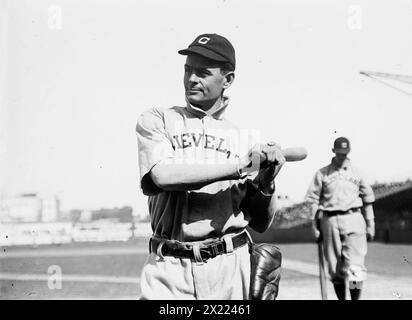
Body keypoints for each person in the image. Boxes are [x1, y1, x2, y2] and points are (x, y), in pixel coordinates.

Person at [135, 33, 285, 299]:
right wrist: (241, 165)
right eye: (188, 70)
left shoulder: (243, 138)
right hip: (169, 265)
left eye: (203, 73)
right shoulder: (159, 119)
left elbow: (260, 222)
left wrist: (266, 181)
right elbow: (162, 175)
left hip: (229, 265)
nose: (192, 79)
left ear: (227, 80)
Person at [305, 137, 375, 300]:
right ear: (333, 151)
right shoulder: (322, 173)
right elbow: (312, 201)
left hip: (354, 218)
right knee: (335, 269)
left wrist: (371, 223)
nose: (342, 156)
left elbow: (368, 200)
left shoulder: (358, 172)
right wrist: (314, 226)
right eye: (339, 153)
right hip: (330, 221)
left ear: (349, 152)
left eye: (345, 153)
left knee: (356, 268)